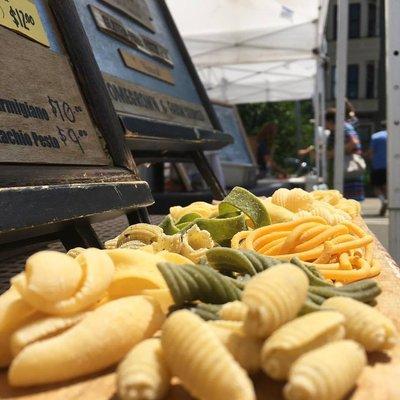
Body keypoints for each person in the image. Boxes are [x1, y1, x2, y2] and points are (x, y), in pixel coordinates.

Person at [325, 108, 365, 201]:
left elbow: (354, 142)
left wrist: (334, 153)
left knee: (348, 200)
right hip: (344, 169)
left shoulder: (343, 128)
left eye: (325, 121)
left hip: (346, 169)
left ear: (330, 120)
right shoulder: (340, 128)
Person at [369, 129, 388, 216]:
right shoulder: (396, 135)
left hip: (377, 166)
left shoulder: (376, 136)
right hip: (393, 166)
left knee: (376, 186)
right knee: (387, 185)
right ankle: (388, 200)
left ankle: (383, 200)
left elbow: (371, 152)